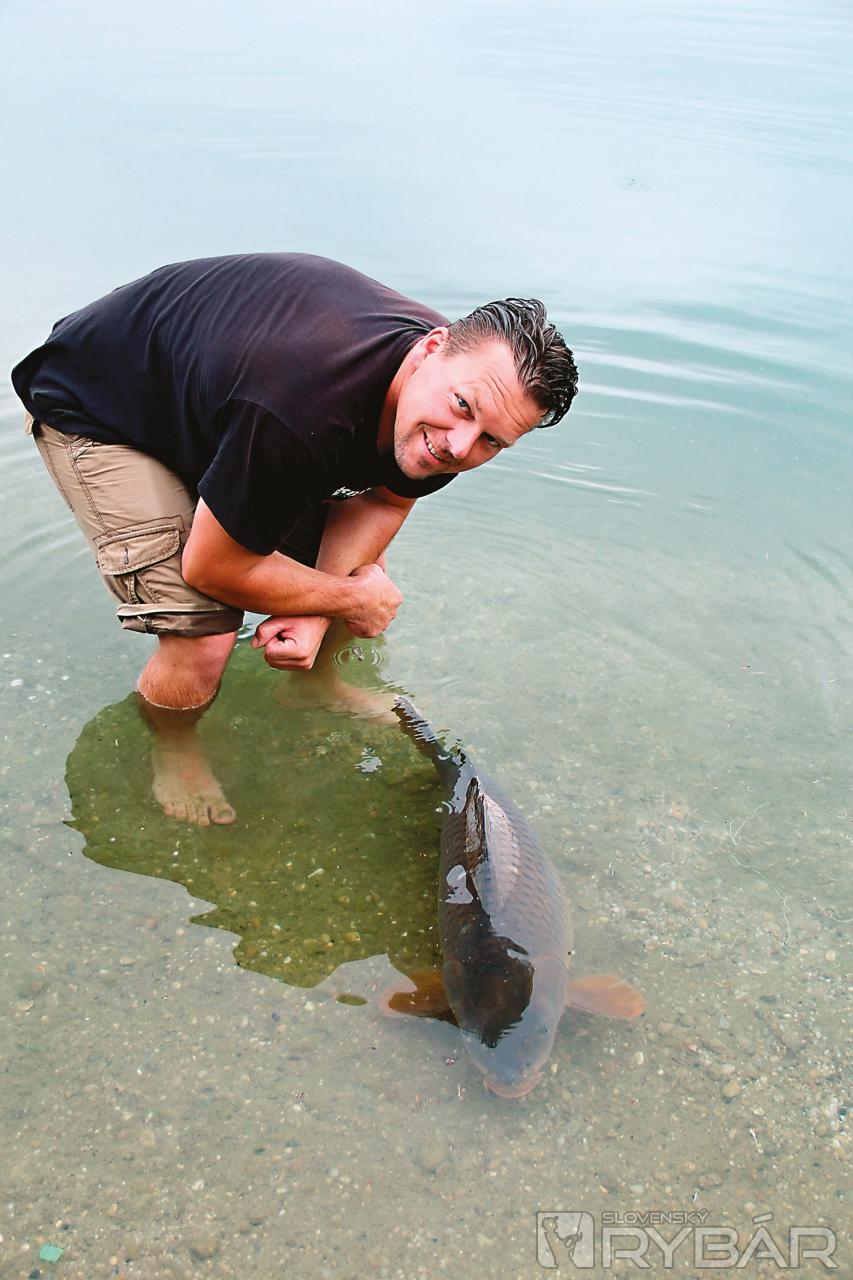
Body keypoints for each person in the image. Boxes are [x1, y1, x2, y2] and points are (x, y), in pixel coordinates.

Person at [12, 253, 578, 825]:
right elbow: (210, 566)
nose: (459, 446)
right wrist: (345, 599)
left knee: (359, 569)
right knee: (207, 629)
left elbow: (383, 500)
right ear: (431, 348)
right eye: (462, 408)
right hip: (99, 400)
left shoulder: (456, 404)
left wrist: (317, 609)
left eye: (492, 441)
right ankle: (173, 748)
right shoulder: (306, 400)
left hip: (229, 405)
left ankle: (314, 686)